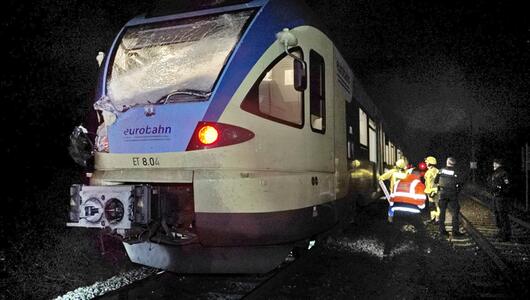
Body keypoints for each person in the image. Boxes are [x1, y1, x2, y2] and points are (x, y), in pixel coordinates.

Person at [435, 157, 463, 237]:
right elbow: (460, 183)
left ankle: (442, 230)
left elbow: (435, 181)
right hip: (452, 193)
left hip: (443, 193)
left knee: (442, 212)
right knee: (455, 211)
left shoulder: (441, 170)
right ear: (454, 164)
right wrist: (457, 191)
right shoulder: (456, 172)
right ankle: (455, 231)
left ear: (447, 162)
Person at [488, 158, 512, 242]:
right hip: (495, 197)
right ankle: (501, 232)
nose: (493, 165)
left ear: (499, 164)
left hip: (501, 198)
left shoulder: (503, 173)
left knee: (503, 216)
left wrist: (501, 191)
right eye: (493, 163)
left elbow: (507, 185)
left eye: (495, 163)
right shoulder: (495, 173)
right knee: (497, 215)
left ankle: (506, 235)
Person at [423, 156, 440, 224]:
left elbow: (437, 181)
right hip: (429, 190)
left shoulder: (433, 171)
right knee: (432, 206)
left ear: (430, 163)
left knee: (437, 205)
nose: (426, 163)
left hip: (434, 191)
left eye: (427, 162)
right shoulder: (432, 170)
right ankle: (433, 218)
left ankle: (437, 219)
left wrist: (435, 191)